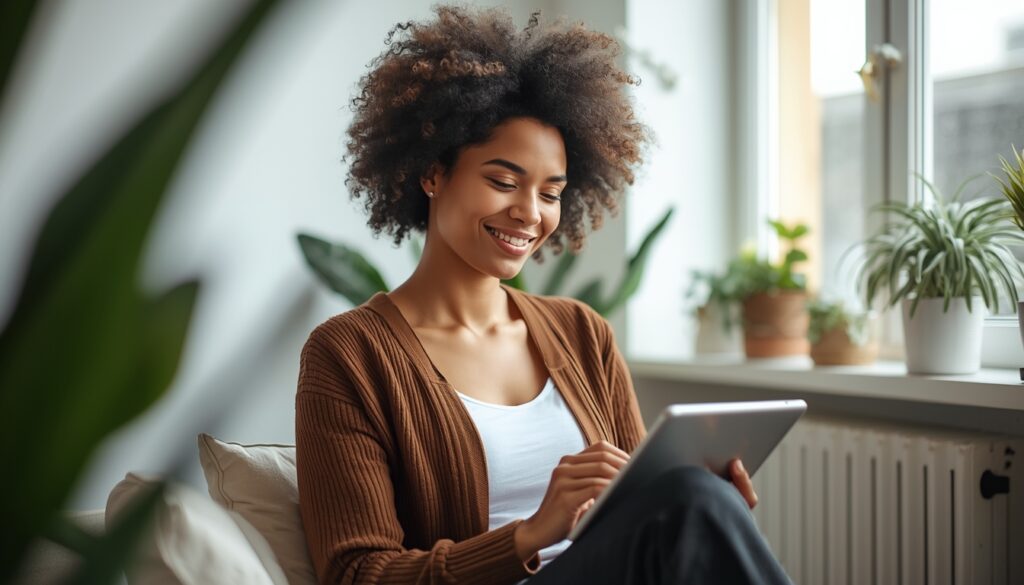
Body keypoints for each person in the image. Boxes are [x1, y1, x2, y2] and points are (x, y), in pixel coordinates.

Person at [295, 5, 791, 584]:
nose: (529, 214)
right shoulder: (347, 355)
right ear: (432, 173)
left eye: (550, 192)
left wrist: (704, 498)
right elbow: (356, 574)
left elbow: (636, 501)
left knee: (689, 495)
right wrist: (530, 533)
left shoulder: (583, 333)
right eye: (503, 182)